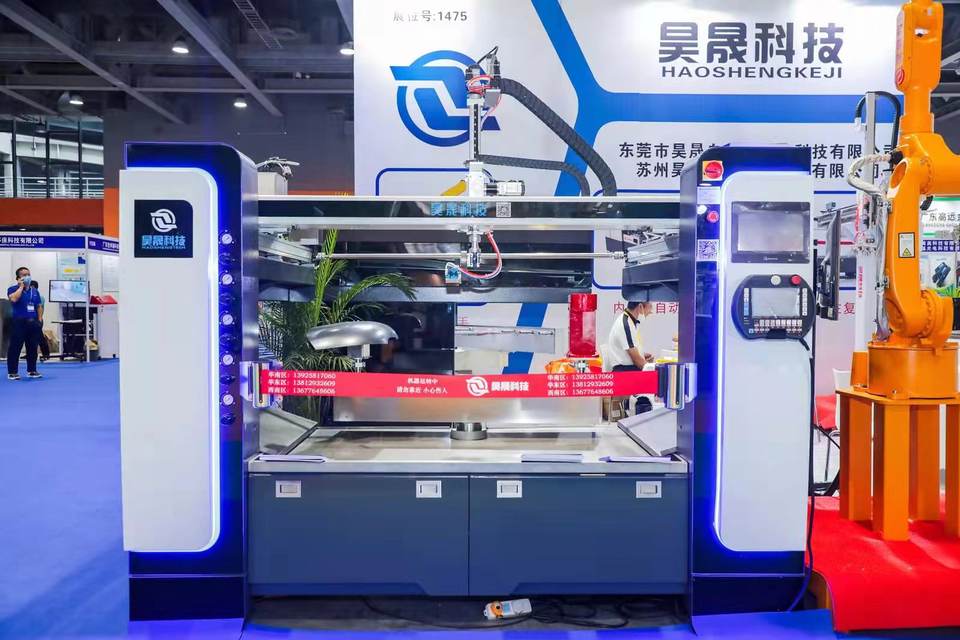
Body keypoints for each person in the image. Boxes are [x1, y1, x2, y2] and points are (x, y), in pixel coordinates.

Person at [606, 300, 654, 414]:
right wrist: (653, 367)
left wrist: (643, 356)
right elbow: (637, 361)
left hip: (629, 368)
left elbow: (632, 352)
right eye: (650, 307)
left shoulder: (630, 321)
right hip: (624, 372)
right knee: (657, 377)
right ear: (640, 307)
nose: (651, 312)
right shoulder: (625, 324)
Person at [6, 266, 43, 380]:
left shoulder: (34, 291)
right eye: (24, 275)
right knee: (15, 347)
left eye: (28, 274)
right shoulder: (12, 289)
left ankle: (32, 370)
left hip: (33, 323)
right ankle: (12, 372)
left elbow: (39, 306)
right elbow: (14, 299)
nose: (27, 277)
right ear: (18, 278)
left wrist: (39, 320)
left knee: (32, 347)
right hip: (18, 322)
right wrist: (21, 287)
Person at [29, 280, 50, 360]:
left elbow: (38, 308)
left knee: (40, 337)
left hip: (37, 319)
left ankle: (46, 354)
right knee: (29, 338)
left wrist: (39, 320)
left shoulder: (40, 297)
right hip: (29, 320)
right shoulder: (29, 296)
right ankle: (29, 354)